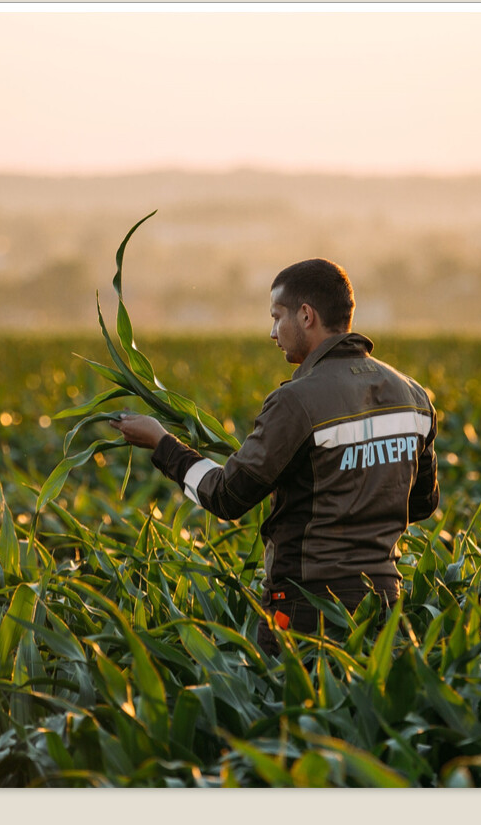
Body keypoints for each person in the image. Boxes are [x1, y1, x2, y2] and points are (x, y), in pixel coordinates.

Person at [110, 258, 439, 655]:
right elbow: (422, 503)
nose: (272, 332)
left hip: (306, 612)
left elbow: (225, 497)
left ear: (306, 316)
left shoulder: (296, 402)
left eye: (276, 317)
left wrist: (162, 444)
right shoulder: (413, 396)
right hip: (385, 607)